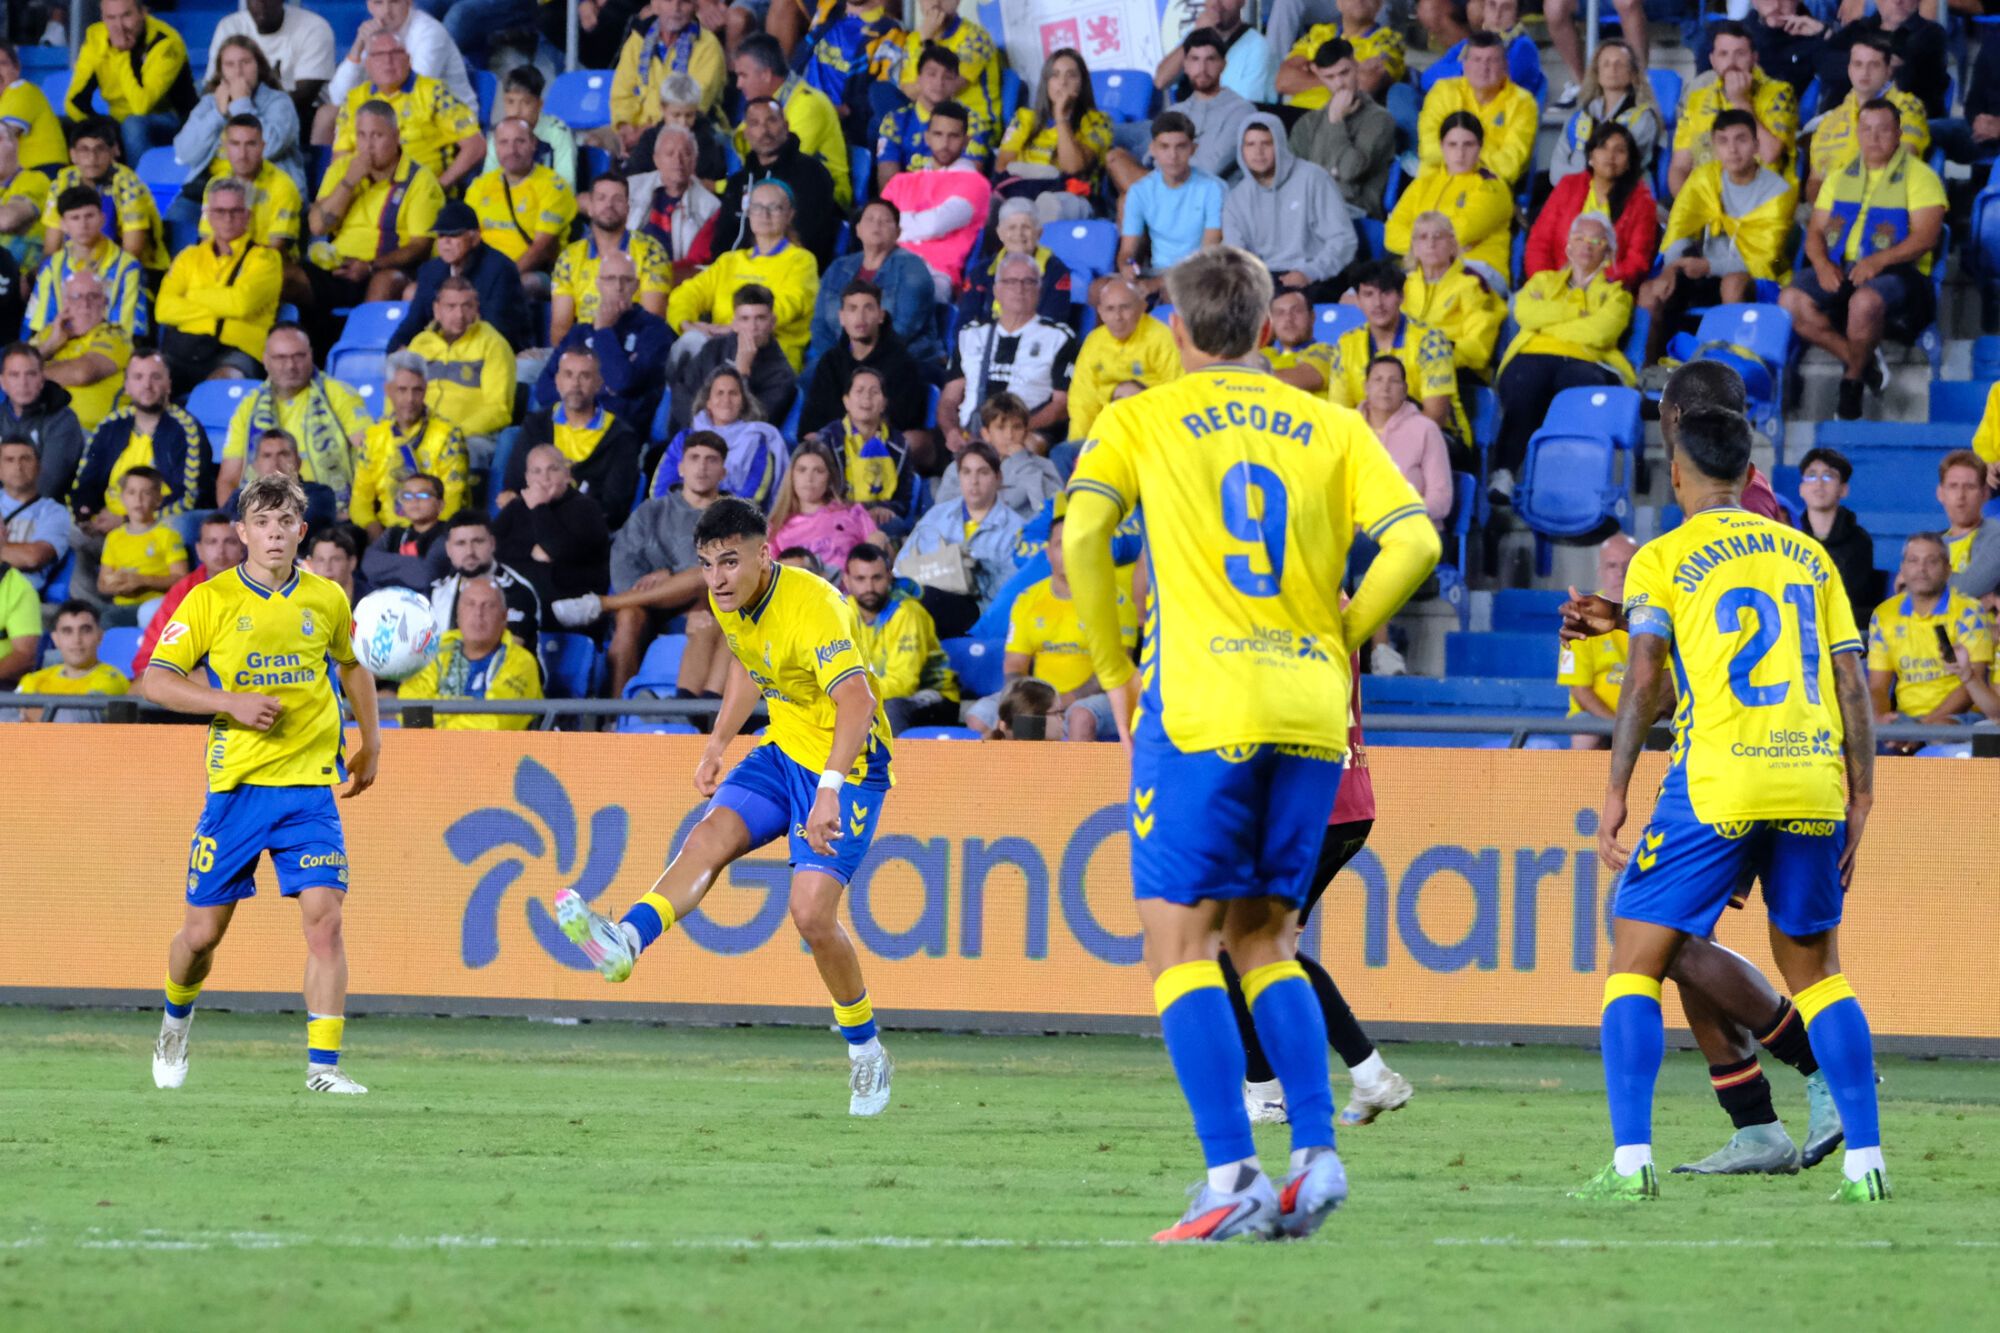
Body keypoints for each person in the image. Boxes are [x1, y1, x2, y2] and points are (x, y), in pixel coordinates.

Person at [1064, 243, 1437, 1240]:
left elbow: (1080, 539)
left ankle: (1228, 1170)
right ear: (1269, 323)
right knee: (1266, 936)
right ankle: (1311, 1158)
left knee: (1179, 943)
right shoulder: (1330, 422)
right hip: (1311, 711)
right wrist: (1341, 636)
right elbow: (1417, 541)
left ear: (1175, 331)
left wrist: (1112, 676)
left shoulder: (1136, 416)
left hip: (1199, 708)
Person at [1578, 404, 1887, 1203]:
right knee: (1821, 974)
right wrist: (1862, 791)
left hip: (1720, 778)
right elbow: (1851, 680)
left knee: (1635, 954)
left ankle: (1629, 1161)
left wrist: (1613, 791)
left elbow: (1645, 682)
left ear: (1676, 472)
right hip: (1812, 772)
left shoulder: (1664, 555)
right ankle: (1867, 1163)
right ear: (1752, 474)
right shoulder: (1809, 555)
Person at [555, 497, 900, 1116]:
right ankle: (626, 940)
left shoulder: (817, 607)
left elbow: (857, 704)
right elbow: (748, 665)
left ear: (764, 553)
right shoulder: (727, 598)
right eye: (707, 564)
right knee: (708, 836)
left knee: (812, 917)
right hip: (782, 749)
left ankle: (866, 1049)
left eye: (729, 562)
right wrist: (718, 743)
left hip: (847, 768)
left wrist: (828, 789)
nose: (716, 578)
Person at [139, 471, 380, 1096]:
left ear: (301, 532)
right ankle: (174, 1024)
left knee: (325, 921)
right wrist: (230, 702)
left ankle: (323, 1070)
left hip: (309, 791)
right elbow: (156, 681)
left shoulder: (327, 598)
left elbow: (354, 669)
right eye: (262, 524)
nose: (274, 535)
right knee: (200, 937)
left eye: (285, 524)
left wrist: (372, 742)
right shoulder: (210, 600)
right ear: (241, 532)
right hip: (238, 791)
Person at [1781, 100, 1944, 422]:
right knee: (1789, 300)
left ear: (1898, 134)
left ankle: (1851, 384)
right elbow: (1814, 232)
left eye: (1883, 129)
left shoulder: (1921, 176)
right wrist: (1823, 265)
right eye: (1866, 129)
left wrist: (1880, 260)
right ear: (1857, 133)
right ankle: (1865, 363)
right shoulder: (1840, 177)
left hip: (1901, 272)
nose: (1874, 137)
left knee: (1864, 302)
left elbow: (1926, 237)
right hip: (1843, 265)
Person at [555, 430, 725, 695]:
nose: (702, 467)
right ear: (680, 468)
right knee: (627, 617)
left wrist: (668, 573)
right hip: (644, 604)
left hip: (707, 604)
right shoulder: (650, 511)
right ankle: (620, 718)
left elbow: (721, 571)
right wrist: (656, 589)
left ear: (723, 471)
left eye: (711, 460)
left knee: (705, 575)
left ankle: (600, 603)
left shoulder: (734, 515)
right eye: (694, 458)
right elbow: (624, 563)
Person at [1489, 215, 1634, 502]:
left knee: (1581, 390)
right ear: (1568, 246)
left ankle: (1576, 484)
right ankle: (1504, 473)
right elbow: (1525, 314)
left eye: (1596, 240)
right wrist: (1574, 313)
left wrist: (1548, 322)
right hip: (1532, 355)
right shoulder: (1542, 280)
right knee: (1524, 389)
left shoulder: (1615, 293)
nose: (1586, 246)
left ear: (1608, 251)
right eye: (1579, 238)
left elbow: (1600, 332)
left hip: (1587, 360)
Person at [1638, 110, 1797, 369]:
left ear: (1756, 145)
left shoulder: (1778, 191)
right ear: (1714, 148)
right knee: (1650, 291)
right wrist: (1672, 267)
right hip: (1702, 268)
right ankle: (1650, 373)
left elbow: (1762, 258)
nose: (1732, 149)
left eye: (1741, 140)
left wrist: (1709, 266)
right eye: (1723, 141)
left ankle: (1727, 372)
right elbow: (1680, 228)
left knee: (1732, 284)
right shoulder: (1704, 178)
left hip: (1758, 278)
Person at [1000, 500, 1137, 743]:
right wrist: (1027, 701)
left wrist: (1064, 700)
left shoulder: (1115, 600)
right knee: (988, 716)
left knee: (1080, 716)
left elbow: (1115, 668)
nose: (1069, 551)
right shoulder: (1027, 600)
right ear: (1048, 553)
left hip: (1102, 694)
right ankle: (1015, 780)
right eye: (1060, 545)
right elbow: (1014, 666)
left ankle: (1077, 782)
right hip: (1041, 696)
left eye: (1076, 543)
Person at [70, 352, 208, 573]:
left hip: (155, 523)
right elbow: (86, 482)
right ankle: (91, 603)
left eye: (155, 377)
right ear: (126, 385)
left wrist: (127, 520)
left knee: (177, 526)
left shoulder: (186, 429)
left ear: (168, 385)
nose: (147, 385)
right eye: (138, 377)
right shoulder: (110, 425)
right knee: (67, 529)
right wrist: (86, 514)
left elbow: (188, 496)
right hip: (106, 522)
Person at [301, 101, 445, 310]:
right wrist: (349, 182)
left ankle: (364, 342)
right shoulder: (343, 169)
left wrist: (370, 267)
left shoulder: (420, 180)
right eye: (361, 135)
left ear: (396, 136)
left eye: (377, 136)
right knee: (286, 276)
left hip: (385, 269)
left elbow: (420, 246)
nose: (368, 145)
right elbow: (317, 226)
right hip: (338, 268)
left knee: (385, 281)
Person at [1328, 260, 1467, 469]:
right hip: (1370, 441)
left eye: (1386, 293)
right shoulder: (1346, 345)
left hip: (1438, 439)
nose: (1378, 303)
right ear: (1357, 300)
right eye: (1368, 294)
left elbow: (1434, 417)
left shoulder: (1431, 341)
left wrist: (1384, 445)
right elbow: (1340, 417)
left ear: (1401, 297)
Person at [666, 181, 819, 371]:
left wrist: (736, 328)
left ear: (790, 214)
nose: (764, 214)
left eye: (775, 207)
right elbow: (688, 293)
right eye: (757, 207)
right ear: (749, 213)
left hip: (771, 354)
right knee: (688, 344)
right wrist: (686, 323)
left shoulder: (801, 261)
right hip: (719, 347)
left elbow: (789, 305)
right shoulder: (730, 261)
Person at [219, 326, 368, 512]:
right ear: (265, 360)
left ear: (311, 355)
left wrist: (360, 511)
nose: (290, 366)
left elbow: (369, 458)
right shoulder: (248, 405)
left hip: (326, 505)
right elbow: (228, 479)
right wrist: (231, 522)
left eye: (298, 356)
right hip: (262, 509)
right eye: (281, 358)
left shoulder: (339, 395)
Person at [939, 254, 1078, 451]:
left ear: (1039, 290)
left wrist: (1013, 432)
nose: (1019, 289)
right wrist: (951, 431)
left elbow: (1061, 406)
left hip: (1027, 431)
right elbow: (949, 399)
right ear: (996, 290)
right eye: (1011, 281)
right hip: (971, 431)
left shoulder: (1059, 337)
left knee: (1026, 447)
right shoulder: (971, 334)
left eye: (1028, 282)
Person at [155, 179, 284, 388]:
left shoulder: (266, 258)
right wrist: (221, 302)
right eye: (220, 211)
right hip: (184, 348)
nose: (228, 218)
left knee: (220, 386)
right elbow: (163, 309)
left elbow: (241, 303)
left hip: (235, 352)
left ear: (247, 216)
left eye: (235, 211)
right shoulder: (188, 256)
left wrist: (192, 295)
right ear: (209, 216)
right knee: (147, 384)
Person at [171, 35, 307, 231]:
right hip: (212, 190)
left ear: (258, 66)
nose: (238, 71)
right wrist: (218, 114)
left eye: (245, 62)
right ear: (221, 72)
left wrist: (241, 104)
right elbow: (184, 153)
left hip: (265, 190)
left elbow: (270, 147)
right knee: (178, 215)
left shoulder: (279, 102)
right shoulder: (210, 103)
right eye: (230, 64)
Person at [895, 440, 1025, 634]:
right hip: (926, 603)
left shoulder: (1016, 528)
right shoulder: (937, 516)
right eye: (966, 472)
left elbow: (1015, 592)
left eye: (983, 472)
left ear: (998, 478)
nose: (974, 481)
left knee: (927, 604)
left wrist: (974, 573)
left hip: (979, 612)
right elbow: (900, 568)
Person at [534, 248, 672, 429]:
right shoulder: (579, 333)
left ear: (636, 285)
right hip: (568, 426)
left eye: (626, 279)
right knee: (514, 435)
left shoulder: (654, 331)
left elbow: (621, 382)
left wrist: (603, 330)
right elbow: (544, 390)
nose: (618, 287)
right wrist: (603, 391)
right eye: (610, 279)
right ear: (598, 284)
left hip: (618, 433)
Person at [1221, 116, 1354, 304]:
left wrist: (1310, 273)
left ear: (1280, 144)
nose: (1258, 152)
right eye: (1250, 144)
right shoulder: (1236, 197)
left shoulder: (1314, 178)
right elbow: (1235, 255)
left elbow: (1343, 239)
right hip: (1264, 280)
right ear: (1241, 150)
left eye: (1266, 143)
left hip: (1315, 276)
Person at [328, 32, 482, 192]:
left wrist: (437, 188)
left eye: (395, 53)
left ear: (408, 59)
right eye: (379, 55)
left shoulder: (434, 92)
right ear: (368, 64)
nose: (388, 61)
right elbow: (340, 159)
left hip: (421, 193)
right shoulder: (354, 99)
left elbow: (475, 146)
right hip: (367, 196)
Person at [509, 347, 642, 529]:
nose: (575, 384)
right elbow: (515, 485)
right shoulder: (535, 425)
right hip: (532, 524)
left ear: (598, 383)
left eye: (585, 376)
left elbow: (614, 508)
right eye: (568, 375)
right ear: (557, 381)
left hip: (586, 531)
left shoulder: (621, 437)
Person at [1667, 21, 1801, 196]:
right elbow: (1680, 167)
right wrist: (1687, 209)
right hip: (1706, 203)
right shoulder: (1697, 99)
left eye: (1740, 54)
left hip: (1761, 202)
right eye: (1723, 54)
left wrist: (1741, 101)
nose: (1731, 62)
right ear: (1712, 61)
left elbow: (1769, 154)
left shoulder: (1780, 93)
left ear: (1754, 57)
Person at [396, 572, 543, 728]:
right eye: (470, 604)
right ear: (458, 616)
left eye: (489, 605)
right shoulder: (435, 652)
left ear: (504, 617)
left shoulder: (522, 663)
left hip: (497, 752)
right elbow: (409, 714)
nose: (478, 613)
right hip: (431, 750)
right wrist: (472, 706)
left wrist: (438, 716)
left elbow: (494, 725)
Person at [879, 101, 992, 302]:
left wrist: (894, 225)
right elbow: (876, 224)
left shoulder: (976, 183)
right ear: (927, 138)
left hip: (933, 273)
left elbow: (933, 225)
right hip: (888, 262)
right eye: (938, 134)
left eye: (953, 136)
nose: (945, 143)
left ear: (966, 141)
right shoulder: (902, 181)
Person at [709, 97, 841, 268]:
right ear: (747, 134)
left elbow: (811, 240)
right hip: (732, 275)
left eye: (771, 120)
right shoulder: (737, 182)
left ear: (786, 126)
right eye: (755, 123)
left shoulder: (812, 174)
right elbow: (722, 238)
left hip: (786, 274)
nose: (764, 130)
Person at [1527, 123, 1658, 293]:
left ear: (1628, 163)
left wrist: (1592, 283)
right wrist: (1547, 282)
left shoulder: (1641, 201)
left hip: (1607, 290)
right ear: (1591, 156)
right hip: (1556, 285)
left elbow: (1637, 261)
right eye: (1603, 147)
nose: (1610, 156)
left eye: (1620, 150)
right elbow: (1539, 243)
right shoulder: (1568, 186)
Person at [350, 351, 471, 532]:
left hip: (435, 531)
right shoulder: (373, 436)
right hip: (387, 531)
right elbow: (360, 499)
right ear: (388, 390)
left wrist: (426, 535)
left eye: (417, 390)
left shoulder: (448, 435)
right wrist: (373, 531)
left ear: (425, 389)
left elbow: (452, 499)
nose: (410, 399)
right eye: (402, 390)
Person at [844, 541, 958, 733]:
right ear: (847, 581)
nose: (869, 587)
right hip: (868, 694)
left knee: (891, 709)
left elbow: (903, 684)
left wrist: (848, 693)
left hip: (933, 696)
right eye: (860, 579)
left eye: (877, 578)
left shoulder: (907, 613)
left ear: (889, 576)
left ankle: (894, 764)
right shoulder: (842, 611)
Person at [388, 201, 532, 352]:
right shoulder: (430, 271)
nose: (446, 242)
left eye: (454, 235)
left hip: (496, 352)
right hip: (444, 352)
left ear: (475, 238)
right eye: (441, 236)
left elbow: (498, 330)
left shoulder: (500, 269)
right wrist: (395, 352)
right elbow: (413, 323)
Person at [549, 175, 674, 347]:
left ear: (628, 208)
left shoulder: (650, 252)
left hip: (630, 346)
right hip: (581, 350)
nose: (609, 205)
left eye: (617, 199)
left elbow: (652, 320)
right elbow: (560, 327)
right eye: (601, 198)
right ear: (590, 207)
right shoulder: (569, 257)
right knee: (525, 368)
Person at [808, 200, 939, 365]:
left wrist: (860, 361)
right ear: (858, 229)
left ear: (898, 232)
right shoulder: (839, 267)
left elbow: (905, 328)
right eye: (869, 219)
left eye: (885, 221)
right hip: (840, 360)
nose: (876, 224)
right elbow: (820, 324)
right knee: (809, 382)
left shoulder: (912, 268)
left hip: (899, 360)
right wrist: (835, 362)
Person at [68, 0, 195, 168]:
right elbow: (74, 101)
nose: (119, 26)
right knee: (75, 129)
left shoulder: (165, 43)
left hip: (173, 120)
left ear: (143, 12)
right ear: (102, 17)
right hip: (118, 120)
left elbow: (141, 106)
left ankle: (140, 186)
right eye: (111, 18)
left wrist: (121, 55)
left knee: (133, 124)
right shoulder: (96, 38)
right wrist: (95, 129)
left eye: (126, 16)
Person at [1804, 35, 1930, 203]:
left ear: (1888, 71)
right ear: (1849, 69)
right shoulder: (1830, 121)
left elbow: (1902, 162)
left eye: (1874, 65)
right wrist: (1824, 211)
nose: (1865, 72)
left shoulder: (1907, 107)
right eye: (1858, 64)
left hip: (1885, 206)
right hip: (1833, 213)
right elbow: (1815, 181)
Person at [731, 33, 850, 209]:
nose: (738, 84)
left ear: (765, 75)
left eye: (743, 75)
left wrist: (722, 187)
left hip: (823, 199)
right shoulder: (761, 107)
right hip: (772, 191)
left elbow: (787, 166)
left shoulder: (808, 105)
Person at [1114, 112, 1225, 300]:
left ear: (1193, 149)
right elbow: (1127, 251)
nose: (1172, 155)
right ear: (1153, 149)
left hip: (1199, 274)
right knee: (1102, 291)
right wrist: (1126, 266)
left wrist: (1157, 284)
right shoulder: (1140, 191)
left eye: (1180, 147)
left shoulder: (1213, 189)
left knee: (1171, 292)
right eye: (1164, 147)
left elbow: (1207, 257)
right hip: (1155, 271)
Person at [1285, 38, 1397, 221]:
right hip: (1308, 209)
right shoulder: (1308, 123)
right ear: (1320, 77)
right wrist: (1332, 172)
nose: (1339, 84)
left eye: (1344, 73)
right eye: (1330, 77)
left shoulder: (1380, 119)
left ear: (1356, 66)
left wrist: (1336, 121)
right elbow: (1291, 177)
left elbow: (1348, 171)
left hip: (1356, 212)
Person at [802, 281, 928, 443]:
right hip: (835, 446)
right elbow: (813, 419)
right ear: (842, 317)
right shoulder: (830, 362)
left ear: (881, 315)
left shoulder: (902, 363)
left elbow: (904, 419)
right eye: (852, 309)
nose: (860, 317)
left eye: (868, 308)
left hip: (882, 446)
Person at [1385, 113, 1512, 274]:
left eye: (1468, 145)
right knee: (1357, 294)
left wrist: (1418, 240)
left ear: (1480, 146)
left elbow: (1463, 232)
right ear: (1442, 146)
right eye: (1452, 145)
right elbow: (1391, 233)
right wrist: (1437, 243)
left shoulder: (1492, 187)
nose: (1460, 153)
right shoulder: (1424, 183)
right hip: (1420, 268)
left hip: (1475, 270)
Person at [41, 118, 168, 279]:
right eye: (84, 150)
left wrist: (95, 281)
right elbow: (51, 247)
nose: (92, 158)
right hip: (76, 269)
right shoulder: (63, 181)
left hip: (138, 270)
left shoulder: (128, 184)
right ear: (72, 155)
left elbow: (132, 252)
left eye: (100, 149)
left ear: (115, 151)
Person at [405, 276, 516, 459]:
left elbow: (499, 410)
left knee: (462, 451)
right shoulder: (419, 344)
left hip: (472, 437)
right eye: (451, 306)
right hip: (420, 434)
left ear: (476, 309)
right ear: (437, 310)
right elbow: (399, 393)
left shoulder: (493, 344)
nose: (459, 315)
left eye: (467, 306)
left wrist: (452, 434)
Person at [649, 364, 789, 508]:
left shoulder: (758, 441)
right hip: (676, 517)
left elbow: (752, 495)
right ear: (708, 402)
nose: (726, 399)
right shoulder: (684, 439)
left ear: (743, 402)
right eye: (719, 393)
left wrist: (711, 516)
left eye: (733, 393)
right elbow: (660, 488)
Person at [466, 117, 577, 296]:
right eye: (504, 142)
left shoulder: (552, 187)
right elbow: (465, 235)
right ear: (495, 146)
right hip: (484, 271)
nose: (512, 150)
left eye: (520, 141)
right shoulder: (480, 186)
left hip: (533, 272)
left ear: (533, 144)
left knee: (518, 285)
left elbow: (540, 249)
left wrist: (500, 278)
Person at [667, 282, 798, 433]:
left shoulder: (782, 374)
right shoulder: (713, 348)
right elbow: (682, 394)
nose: (752, 327)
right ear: (734, 323)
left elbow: (755, 424)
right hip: (693, 436)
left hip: (740, 450)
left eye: (760, 318)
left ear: (772, 322)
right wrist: (703, 429)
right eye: (745, 319)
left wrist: (742, 373)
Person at [131, 511, 248, 675]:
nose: (221, 551)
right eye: (212, 542)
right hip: (191, 676)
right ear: (199, 550)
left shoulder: (259, 585)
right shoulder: (184, 590)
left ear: (242, 550)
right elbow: (150, 655)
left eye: (230, 542)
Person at [29, 184, 150, 341]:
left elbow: (127, 332)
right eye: (75, 218)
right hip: (60, 348)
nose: (83, 225)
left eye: (89, 216)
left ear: (102, 219)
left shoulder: (127, 267)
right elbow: (39, 325)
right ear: (63, 225)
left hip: (109, 350)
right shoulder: (52, 267)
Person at [494, 445, 612, 606]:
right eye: (536, 471)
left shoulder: (586, 508)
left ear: (567, 474)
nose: (545, 478)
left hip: (569, 598)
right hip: (520, 594)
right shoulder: (517, 505)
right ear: (527, 478)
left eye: (553, 469)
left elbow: (556, 550)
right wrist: (529, 551)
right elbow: (489, 545)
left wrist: (538, 508)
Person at [1066, 277, 1182, 439]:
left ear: (1142, 307)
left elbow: (1177, 394)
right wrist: (1079, 444)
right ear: (1100, 312)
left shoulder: (1162, 338)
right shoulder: (1094, 342)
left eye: (1125, 308)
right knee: (1063, 453)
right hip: (1105, 432)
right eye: (1110, 309)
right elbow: (1083, 400)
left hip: (1150, 429)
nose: (1118, 317)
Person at [1417, 32, 1537, 188]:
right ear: (1464, 64)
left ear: (1505, 66)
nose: (1483, 68)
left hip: (1486, 188)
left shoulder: (1523, 103)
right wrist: (1485, 154)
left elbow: (1509, 166)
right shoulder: (1442, 91)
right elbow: (1428, 150)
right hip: (1432, 184)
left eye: (1492, 60)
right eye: (1477, 60)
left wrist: (1455, 154)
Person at [611, 0, 726, 155]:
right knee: (593, 141)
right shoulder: (637, 40)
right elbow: (622, 93)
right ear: (655, 5)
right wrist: (625, 127)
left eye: (684, 2)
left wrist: (644, 134)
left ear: (694, 7)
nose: (675, 8)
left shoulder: (708, 46)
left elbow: (691, 106)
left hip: (687, 129)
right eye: (668, 0)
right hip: (635, 130)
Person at [1403, 212, 1507, 384]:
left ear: (1452, 244)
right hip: (1408, 368)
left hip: (1457, 369)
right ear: (1414, 246)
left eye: (1438, 237)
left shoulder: (1472, 283)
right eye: (1422, 237)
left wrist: (1436, 357)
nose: (1431, 244)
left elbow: (1479, 347)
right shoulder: (1404, 284)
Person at [1558, 534, 1637, 749]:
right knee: (1585, 732)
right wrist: (1618, 726)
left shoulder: (1657, 612)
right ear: (1600, 572)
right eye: (1612, 566)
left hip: (1646, 717)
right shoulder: (1582, 616)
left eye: (1628, 565)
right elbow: (1580, 689)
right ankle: (1579, 784)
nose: (1620, 574)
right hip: (1597, 718)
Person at [874, 44, 993, 187]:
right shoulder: (895, 121)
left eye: (948, 77)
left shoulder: (973, 123)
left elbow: (967, 182)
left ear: (956, 83)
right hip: (905, 202)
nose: (939, 82)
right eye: (932, 74)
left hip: (952, 202)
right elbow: (888, 181)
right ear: (919, 78)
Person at [1548, 39, 1661, 186]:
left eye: (1619, 64)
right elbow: (1556, 170)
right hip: (1572, 194)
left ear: (1633, 74)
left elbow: (1622, 169)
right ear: (1597, 72)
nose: (1612, 69)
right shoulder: (1579, 116)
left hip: (1623, 196)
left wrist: (1582, 185)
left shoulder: (1643, 118)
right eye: (1606, 64)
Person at [204, 0, 336, 126]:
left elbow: (303, 99)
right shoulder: (229, 26)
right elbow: (211, 87)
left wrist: (242, 103)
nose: (261, 2)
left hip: (300, 119)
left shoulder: (314, 28)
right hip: (234, 115)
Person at [766, 438, 887, 575]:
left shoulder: (853, 513)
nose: (809, 478)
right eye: (802, 470)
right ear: (791, 476)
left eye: (818, 471)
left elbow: (876, 560)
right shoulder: (775, 528)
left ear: (829, 477)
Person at [931, 392, 1061, 519]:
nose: (1009, 435)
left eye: (1017, 427)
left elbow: (1050, 511)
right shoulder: (961, 467)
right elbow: (942, 513)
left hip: (1020, 536)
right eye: (1001, 428)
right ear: (986, 434)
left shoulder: (1042, 466)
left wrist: (1023, 462)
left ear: (1026, 431)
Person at [955, 196, 1073, 334]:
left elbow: (1052, 320)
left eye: (1026, 227)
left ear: (1039, 233)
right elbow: (964, 322)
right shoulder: (980, 272)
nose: (1019, 233)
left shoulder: (1056, 271)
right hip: (984, 346)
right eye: (1011, 227)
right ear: (1000, 233)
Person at [34, 271, 132, 437]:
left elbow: (82, 373)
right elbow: (10, 368)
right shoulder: (49, 333)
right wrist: (50, 345)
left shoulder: (115, 335)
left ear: (105, 303)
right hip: (39, 426)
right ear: (64, 302)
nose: (85, 304)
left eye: (93, 296)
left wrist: (26, 375)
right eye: (76, 296)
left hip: (90, 433)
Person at [1359, 356, 1451, 530]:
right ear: (1366, 387)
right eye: (1378, 380)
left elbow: (1441, 500)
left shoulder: (1426, 430)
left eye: (1394, 381)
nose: (1385, 388)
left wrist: (1402, 512)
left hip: (1415, 530)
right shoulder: (1348, 428)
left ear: (1404, 390)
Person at [430, 511, 544, 648]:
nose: (469, 552)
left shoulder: (516, 591)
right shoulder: (438, 590)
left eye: (478, 542)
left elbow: (504, 655)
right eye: (460, 543)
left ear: (492, 544)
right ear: (448, 550)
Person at [1820, 0, 1949, 120]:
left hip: (1905, 122)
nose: (1898, 1)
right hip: (1841, 121)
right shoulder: (1859, 29)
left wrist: (1854, 64)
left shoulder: (1931, 34)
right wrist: (1880, 63)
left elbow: (1908, 78)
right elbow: (1824, 64)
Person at [1795, 446, 1877, 629]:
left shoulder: (1859, 541)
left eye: (1828, 476)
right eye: (1811, 475)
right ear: (1801, 489)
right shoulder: (1791, 537)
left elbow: (1852, 597)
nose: (1819, 483)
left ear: (1843, 489)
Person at [200, 114, 305, 257]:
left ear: (263, 147)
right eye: (235, 144)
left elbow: (276, 248)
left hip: (269, 267)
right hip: (224, 265)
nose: (242, 154)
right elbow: (207, 240)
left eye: (251, 144)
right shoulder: (215, 185)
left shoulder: (283, 185)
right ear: (225, 148)